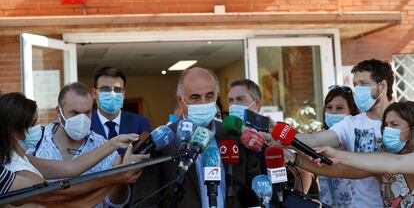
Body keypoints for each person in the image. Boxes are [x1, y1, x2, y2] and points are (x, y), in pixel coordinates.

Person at [262, 58, 395, 208]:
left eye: (363, 84)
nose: (358, 90)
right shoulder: (351, 123)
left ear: (382, 86)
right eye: (356, 85)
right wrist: (274, 136)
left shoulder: (405, 119)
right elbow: (314, 140)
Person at [131, 67, 261, 208]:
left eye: (209, 96)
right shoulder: (162, 142)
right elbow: (144, 203)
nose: (203, 102)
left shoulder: (234, 136)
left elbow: (255, 194)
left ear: (217, 96)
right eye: (195, 97)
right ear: (180, 100)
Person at [0, 92, 144, 207]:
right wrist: (115, 177)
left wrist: (114, 143)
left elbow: (70, 167)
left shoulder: (19, 157)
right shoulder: (16, 170)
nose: (40, 127)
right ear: (15, 131)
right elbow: (68, 202)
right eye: (34, 123)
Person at [289, 101, 414, 208]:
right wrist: (294, 158)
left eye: (395, 125)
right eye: (386, 125)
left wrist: (338, 155)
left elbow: (395, 162)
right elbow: (338, 170)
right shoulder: (382, 162)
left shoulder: (391, 161)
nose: (388, 130)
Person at [318, 85, 359, 208]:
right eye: (329, 107)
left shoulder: (356, 142)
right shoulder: (321, 142)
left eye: (339, 108)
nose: (333, 112)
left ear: (351, 111)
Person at [91, 67, 151, 146]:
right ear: (94, 93)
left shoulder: (140, 123)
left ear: (123, 94)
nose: (112, 94)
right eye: (105, 89)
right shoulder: (85, 124)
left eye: (118, 89)